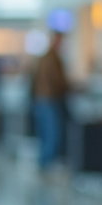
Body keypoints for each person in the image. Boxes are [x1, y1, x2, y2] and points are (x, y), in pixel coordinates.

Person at [32, 31, 69, 170]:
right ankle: (48, 165)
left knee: (45, 134)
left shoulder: (43, 58)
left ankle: (43, 163)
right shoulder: (53, 59)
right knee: (54, 134)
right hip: (51, 100)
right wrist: (71, 87)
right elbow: (57, 81)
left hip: (41, 99)